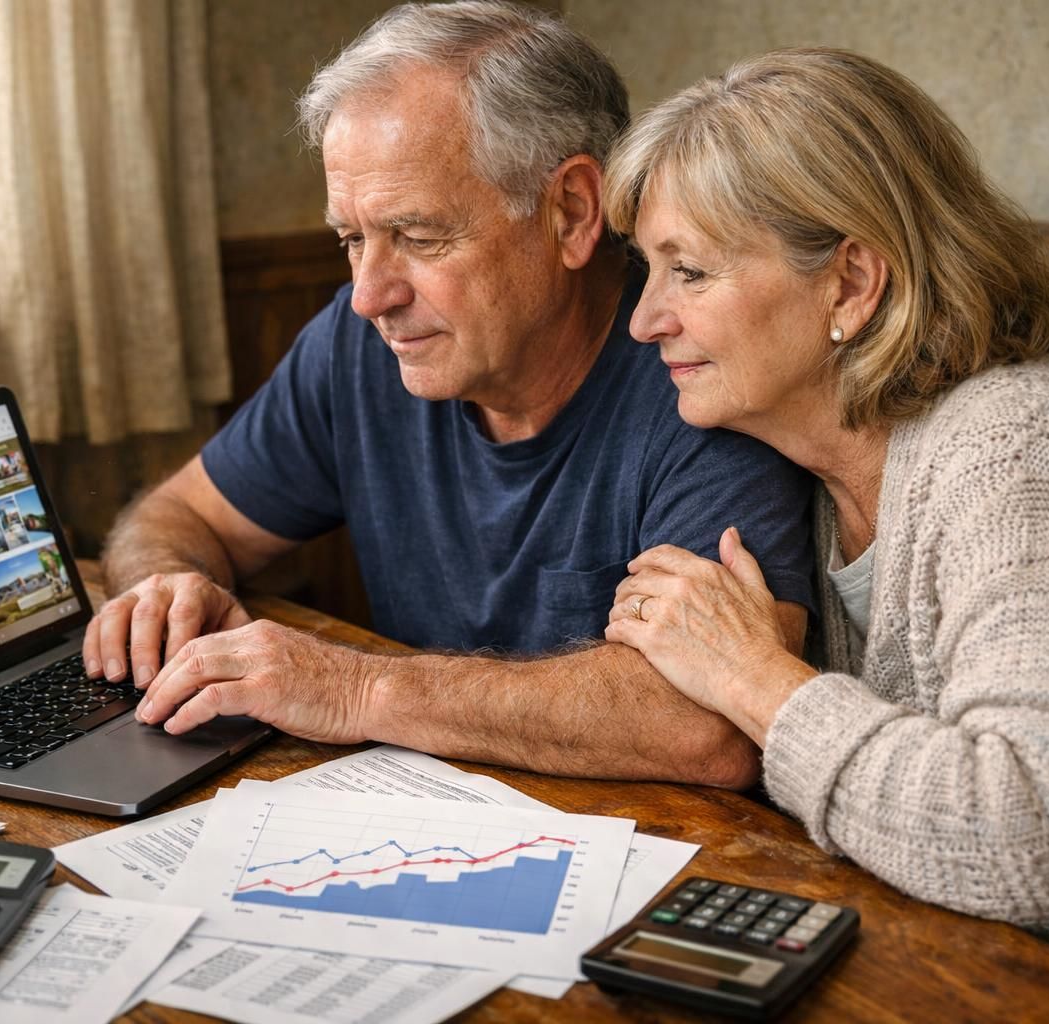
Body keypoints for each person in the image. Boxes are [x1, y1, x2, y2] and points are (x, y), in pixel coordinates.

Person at [83, 1, 817, 784]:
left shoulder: (701, 368)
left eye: (420, 237)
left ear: (570, 212)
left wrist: (357, 687)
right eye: (352, 240)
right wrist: (164, 588)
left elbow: (714, 721)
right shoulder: (359, 344)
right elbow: (179, 515)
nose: (370, 295)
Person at [599, 47, 1049, 1019]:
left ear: (852, 283)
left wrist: (753, 678)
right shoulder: (822, 475)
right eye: (648, 273)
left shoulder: (1031, 450)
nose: (645, 320)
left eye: (689, 272)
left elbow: (1039, 844)